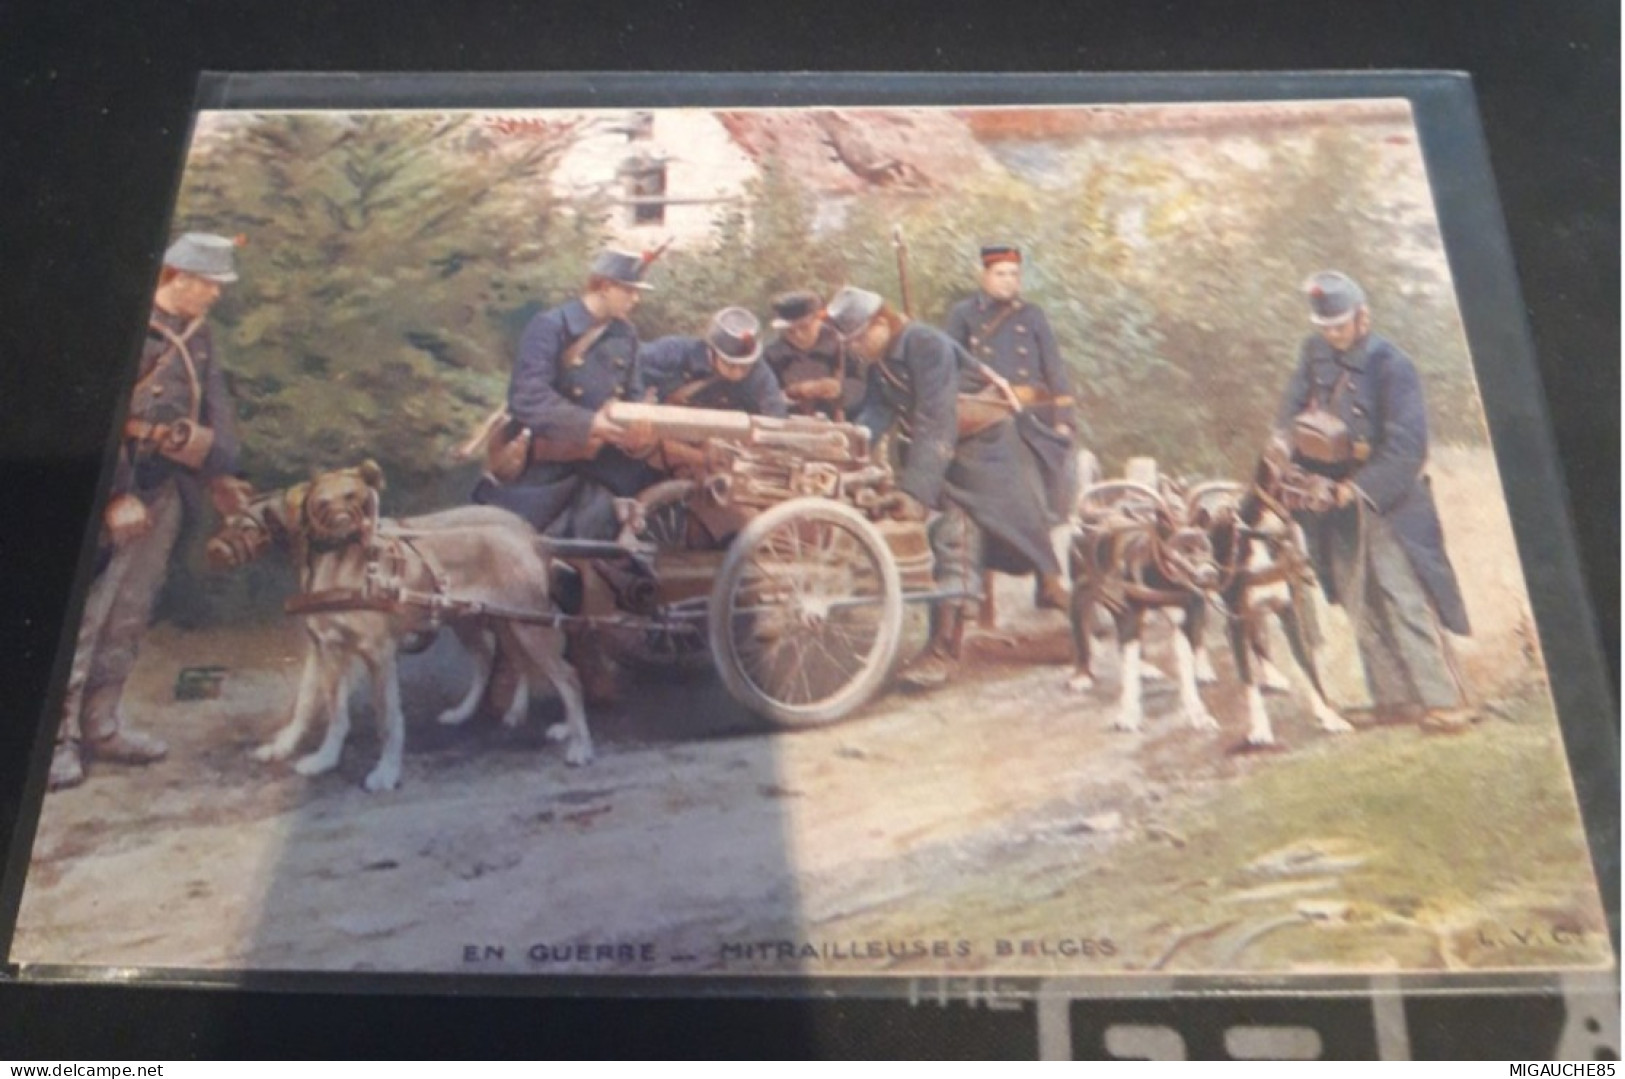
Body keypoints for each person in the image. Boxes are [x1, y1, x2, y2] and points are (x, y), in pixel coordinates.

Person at [51, 232, 251, 791]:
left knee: (130, 614)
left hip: (164, 492)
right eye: (207, 283)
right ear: (176, 275)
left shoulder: (198, 336)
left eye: (217, 285)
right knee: (86, 618)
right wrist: (114, 494)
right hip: (112, 496)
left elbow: (216, 412)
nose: (213, 295)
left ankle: (103, 726)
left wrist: (221, 470)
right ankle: (57, 741)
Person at [825, 286, 1069, 688]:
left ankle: (945, 650)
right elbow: (876, 413)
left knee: (960, 538)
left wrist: (915, 492)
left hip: (985, 452)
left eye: (856, 338)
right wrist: (845, 443)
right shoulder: (881, 362)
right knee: (967, 541)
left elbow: (937, 419)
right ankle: (1047, 602)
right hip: (945, 451)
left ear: (881, 323)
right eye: (847, 342)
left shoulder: (926, 344)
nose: (853, 349)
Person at [1271, 270, 1471, 728]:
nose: (1331, 335)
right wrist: (1285, 454)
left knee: (1404, 598)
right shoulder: (1313, 354)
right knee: (1357, 601)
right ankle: (1394, 701)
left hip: (1387, 501)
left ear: (1363, 318)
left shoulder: (1392, 365)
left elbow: (1407, 448)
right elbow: (1290, 412)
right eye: (1324, 327)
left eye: (1338, 326)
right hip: (1327, 506)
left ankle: (1443, 701)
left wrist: (1355, 490)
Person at [472, 249, 661, 540]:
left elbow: (633, 398)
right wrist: (590, 424)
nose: (636, 299)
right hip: (546, 471)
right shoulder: (551, 326)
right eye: (629, 290)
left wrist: (638, 438)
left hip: (602, 472)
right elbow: (527, 398)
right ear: (605, 286)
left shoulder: (625, 335)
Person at [943, 244, 1078, 519]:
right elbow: (950, 366)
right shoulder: (963, 314)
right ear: (984, 276)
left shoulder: (1032, 315)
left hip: (1033, 416)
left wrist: (1064, 420)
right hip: (986, 416)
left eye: (1013, 274)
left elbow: (1054, 369)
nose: (1008, 281)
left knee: (1049, 479)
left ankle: (1051, 527)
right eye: (1000, 274)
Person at [638, 306, 790, 418]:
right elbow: (630, 365)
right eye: (730, 365)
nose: (738, 373)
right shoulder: (672, 351)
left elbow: (775, 415)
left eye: (745, 367)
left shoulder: (760, 374)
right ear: (711, 351)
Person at [761, 290, 868, 422]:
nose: (798, 335)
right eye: (790, 330)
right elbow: (763, 397)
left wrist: (840, 390)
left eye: (804, 327)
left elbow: (862, 385)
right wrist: (793, 392)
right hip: (790, 426)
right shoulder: (771, 355)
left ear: (819, 319)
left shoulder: (841, 346)